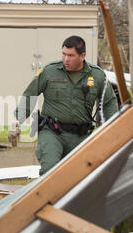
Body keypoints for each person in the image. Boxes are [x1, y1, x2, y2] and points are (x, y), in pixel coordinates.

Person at [13, 35, 119, 175]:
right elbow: (30, 95)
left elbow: (109, 102)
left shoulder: (97, 76)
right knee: (49, 169)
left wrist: (112, 128)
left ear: (82, 56)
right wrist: (17, 120)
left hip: (81, 135)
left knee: (81, 176)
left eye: (71, 55)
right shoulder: (50, 71)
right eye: (63, 54)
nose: (66, 59)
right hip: (52, 132)